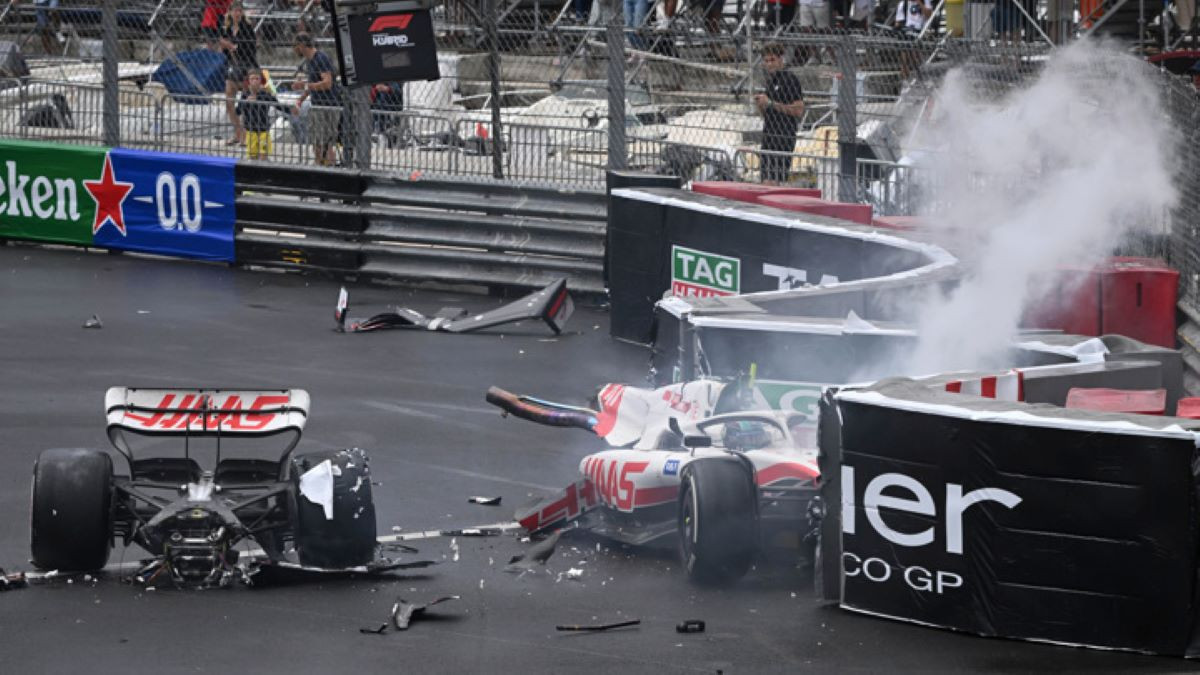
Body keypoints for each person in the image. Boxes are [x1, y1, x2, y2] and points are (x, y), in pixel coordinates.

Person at [754, 43, 805, 185]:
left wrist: (771, 103)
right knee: (765, 179)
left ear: (781, 59)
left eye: (772, 60)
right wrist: (761, 105)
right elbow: (767, 114)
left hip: (783, 136)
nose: (769, 64)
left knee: (775, 180)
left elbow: (799, 110)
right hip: (769, 135)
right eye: (766, 61)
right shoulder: (771, 81)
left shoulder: (790, 79)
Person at [292, 32, 341, 166]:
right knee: (317, 140)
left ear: (302, 45)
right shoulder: (309, 60)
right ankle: (320, 164)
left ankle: (327, 166)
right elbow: (312, 84)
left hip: (328, 105)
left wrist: (304, 85)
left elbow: (327, 83)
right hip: (318, 104)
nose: (294, 49)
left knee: (325, 141)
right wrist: (301, 99)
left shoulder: (321, 58)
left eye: (296, 46)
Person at [220, 3, 258, 146]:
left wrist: (233, 47)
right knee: (229, 100)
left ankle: (245, 135)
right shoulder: (227, 29)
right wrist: (227, 47)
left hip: (247, 65)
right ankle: (237, 133)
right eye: (235, 11)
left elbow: (251, 49)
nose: (238, 14)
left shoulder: (247, 28)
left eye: (240, 11)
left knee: (246, 101)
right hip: (233, 65)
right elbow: (224, 49)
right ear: (230, 12)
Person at [237, 70, 282, 160]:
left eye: (257, 79)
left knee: (263, 155)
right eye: (252, 79)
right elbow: (238, 111)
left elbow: (278, 106)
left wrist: (292, 109)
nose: (254, 81)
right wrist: (246, 102)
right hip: (250, 129)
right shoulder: (245, 94)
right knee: (252, 156)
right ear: (249, 81)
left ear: (260, 81)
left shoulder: (266, 94)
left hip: (263, 129)